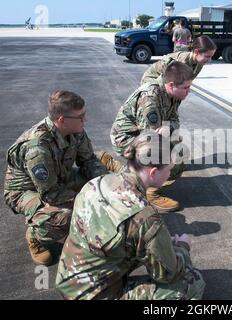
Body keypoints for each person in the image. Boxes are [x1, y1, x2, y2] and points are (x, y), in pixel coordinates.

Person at [55, 132, 205, 300]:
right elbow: (168, 274)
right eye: (169, 169)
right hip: (97, 295)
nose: (169, 175)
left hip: (69, 281)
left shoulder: (96, 183)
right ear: (153, 172)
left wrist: (163, 245)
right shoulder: (145, 217)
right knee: (192, 282)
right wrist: (183, 248)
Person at [3, 90, 107, 265]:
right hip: (25, 191)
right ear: (62, 120)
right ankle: (35, 235)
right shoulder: (37, 147)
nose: (85, 120)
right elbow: (51, 193)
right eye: (80, 117)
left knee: (103, 185)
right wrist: (90, 201)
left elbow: (88, 160)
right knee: (64, 216)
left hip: (59, 177)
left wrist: (105, 188)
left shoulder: (76, 130)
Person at [108, 61, 194, 213]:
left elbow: (174, 120)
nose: (189, 91)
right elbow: (151, 145)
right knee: (171, 157)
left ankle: (117, 167)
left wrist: (168, 127)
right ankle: (149, 192)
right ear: (171, 84)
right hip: (126, 139)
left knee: (178, 149)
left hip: (144, 135)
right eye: (186, 88)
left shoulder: (173, 94)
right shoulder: (150, 99)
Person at [141, 35, 217, 85]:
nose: (209, 60)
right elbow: (170, 86)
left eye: (211, 57)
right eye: (207, 56)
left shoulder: (199, 63)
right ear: (196, 52)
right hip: (151, 81)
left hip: (166, 84)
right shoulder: (181, 62)